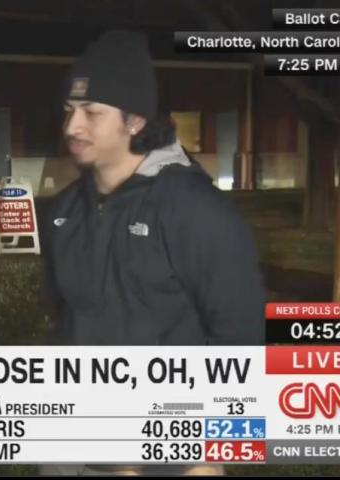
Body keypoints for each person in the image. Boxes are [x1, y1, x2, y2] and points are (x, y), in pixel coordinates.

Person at [42, 30, 265, 475]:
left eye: (91, 112)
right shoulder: (63, 212)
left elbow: (241, 341)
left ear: (135, 121)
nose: (72, 127)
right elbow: (64, 322)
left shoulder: (194, 210)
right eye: (69, 110)